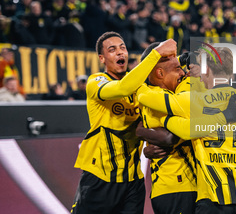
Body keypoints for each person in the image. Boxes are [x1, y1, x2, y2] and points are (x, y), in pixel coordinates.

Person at [136, 47, 236, 214]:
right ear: (232, 74)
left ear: (207, 70)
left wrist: (162, 120)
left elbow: (144, 97)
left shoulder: (195, 101)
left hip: (214, 196)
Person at [71, 32, 176, 214]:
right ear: (102, 58)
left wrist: (149, 146)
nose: (120, 53)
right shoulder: (96, 82)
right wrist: (156, 53)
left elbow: (148, 124)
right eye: (112, 50)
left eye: (123, 48)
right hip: (100, 177)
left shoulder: (141, 89)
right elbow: (122, 88)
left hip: (133, 181)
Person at [136, 43, 196, 214]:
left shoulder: (159, 96)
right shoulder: (157, 98)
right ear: (160, 73)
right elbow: (169, 137)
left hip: (176, 187)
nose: (183, 73)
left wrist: (141, 131)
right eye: (177, 68)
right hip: (177, 187)